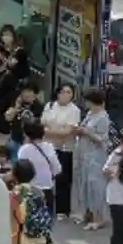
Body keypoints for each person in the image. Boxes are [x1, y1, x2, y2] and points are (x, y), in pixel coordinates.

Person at [42, 83, 82, 220]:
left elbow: (68, 132)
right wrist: (55, 133)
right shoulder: (50, 106)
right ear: (58, 93)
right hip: (49, 146)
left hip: (66, 148)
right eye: (64, 92)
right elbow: (43, 126)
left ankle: (62, 210)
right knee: (46, 177)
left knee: (63, 178)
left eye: (69, 92)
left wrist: (52, 132)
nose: (66, 95)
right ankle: (46, 206)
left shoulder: (74, 110)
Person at [75, 88, 112, 231]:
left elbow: (102, 140)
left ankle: (99, 218)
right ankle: (87, 214)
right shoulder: (90, 114)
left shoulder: (103, 117)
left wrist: (87, 133)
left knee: (96, 187)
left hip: (96, 156)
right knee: (84, 185)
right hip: (85, 155)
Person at [18, 120, 62, 212]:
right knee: (46, 220)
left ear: (26, 134)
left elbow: (20, 170)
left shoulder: (24, 150)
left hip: (29, 190)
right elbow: (57, 169)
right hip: (47, 189)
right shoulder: (49, 147)